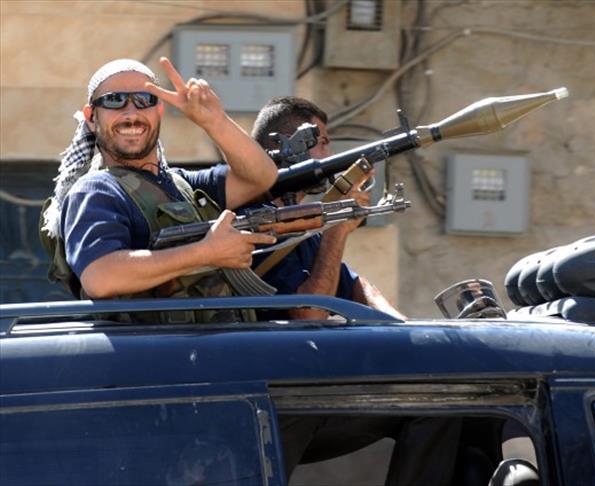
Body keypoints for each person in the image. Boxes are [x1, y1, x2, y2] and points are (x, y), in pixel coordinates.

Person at [41, 57, 277, 306]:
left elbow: (260, 177)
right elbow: (100, 277)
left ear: (159, 110)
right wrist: (206, 253)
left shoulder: (183, 185)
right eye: (114, 100)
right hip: (145, 333)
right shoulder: (96, 190)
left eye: (144, 100)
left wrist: (214, 122)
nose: (131, 114)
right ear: (91, 116)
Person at [249, 96, 404, 320]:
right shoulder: (254, 222)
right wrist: (337, 229)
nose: (330, 156)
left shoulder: (301, 226)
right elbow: (310, 316)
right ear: (289, 145)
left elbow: (354, 286)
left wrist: (400, 324)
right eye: (322, 143)